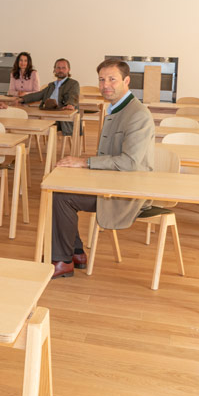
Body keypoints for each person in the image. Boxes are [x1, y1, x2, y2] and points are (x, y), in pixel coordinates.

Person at [49, 59, 155, 279]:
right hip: (109, 181)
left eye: (112, 79)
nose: (106, 84)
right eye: (101, 79)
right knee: (62, 186)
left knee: (62, 196)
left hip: (128, 192)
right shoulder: (116, 107)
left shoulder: (138, 114)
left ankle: (64, 260)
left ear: (126, 81)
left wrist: (85, 162)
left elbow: (129, 163)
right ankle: (75, 252)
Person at [17, 58, 80, 136]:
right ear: (54, 70)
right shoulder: (51, 85)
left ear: (68, 70)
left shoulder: (73, 84)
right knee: (27, 119)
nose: (61, 70)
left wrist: (70, 104)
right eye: (58, 68)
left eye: (63, 68)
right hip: (47, 114)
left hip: (61, 118)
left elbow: (73, 95)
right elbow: (38, 94)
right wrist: (22, 99)